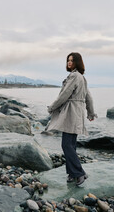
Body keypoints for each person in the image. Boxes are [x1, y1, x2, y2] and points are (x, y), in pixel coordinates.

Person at [46, 52, 97, 185]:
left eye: (72, 61)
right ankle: (72, 173)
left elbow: (64, 95)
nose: (69, 63)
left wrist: (52, 107)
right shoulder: (82, 78)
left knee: (66, 144)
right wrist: (91, 113)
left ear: (77, 62)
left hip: (71, 112)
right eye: (68, 60)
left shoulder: (74, 76)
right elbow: (88, 97)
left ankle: (80, 173)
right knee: (71, 145)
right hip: (78, 112)